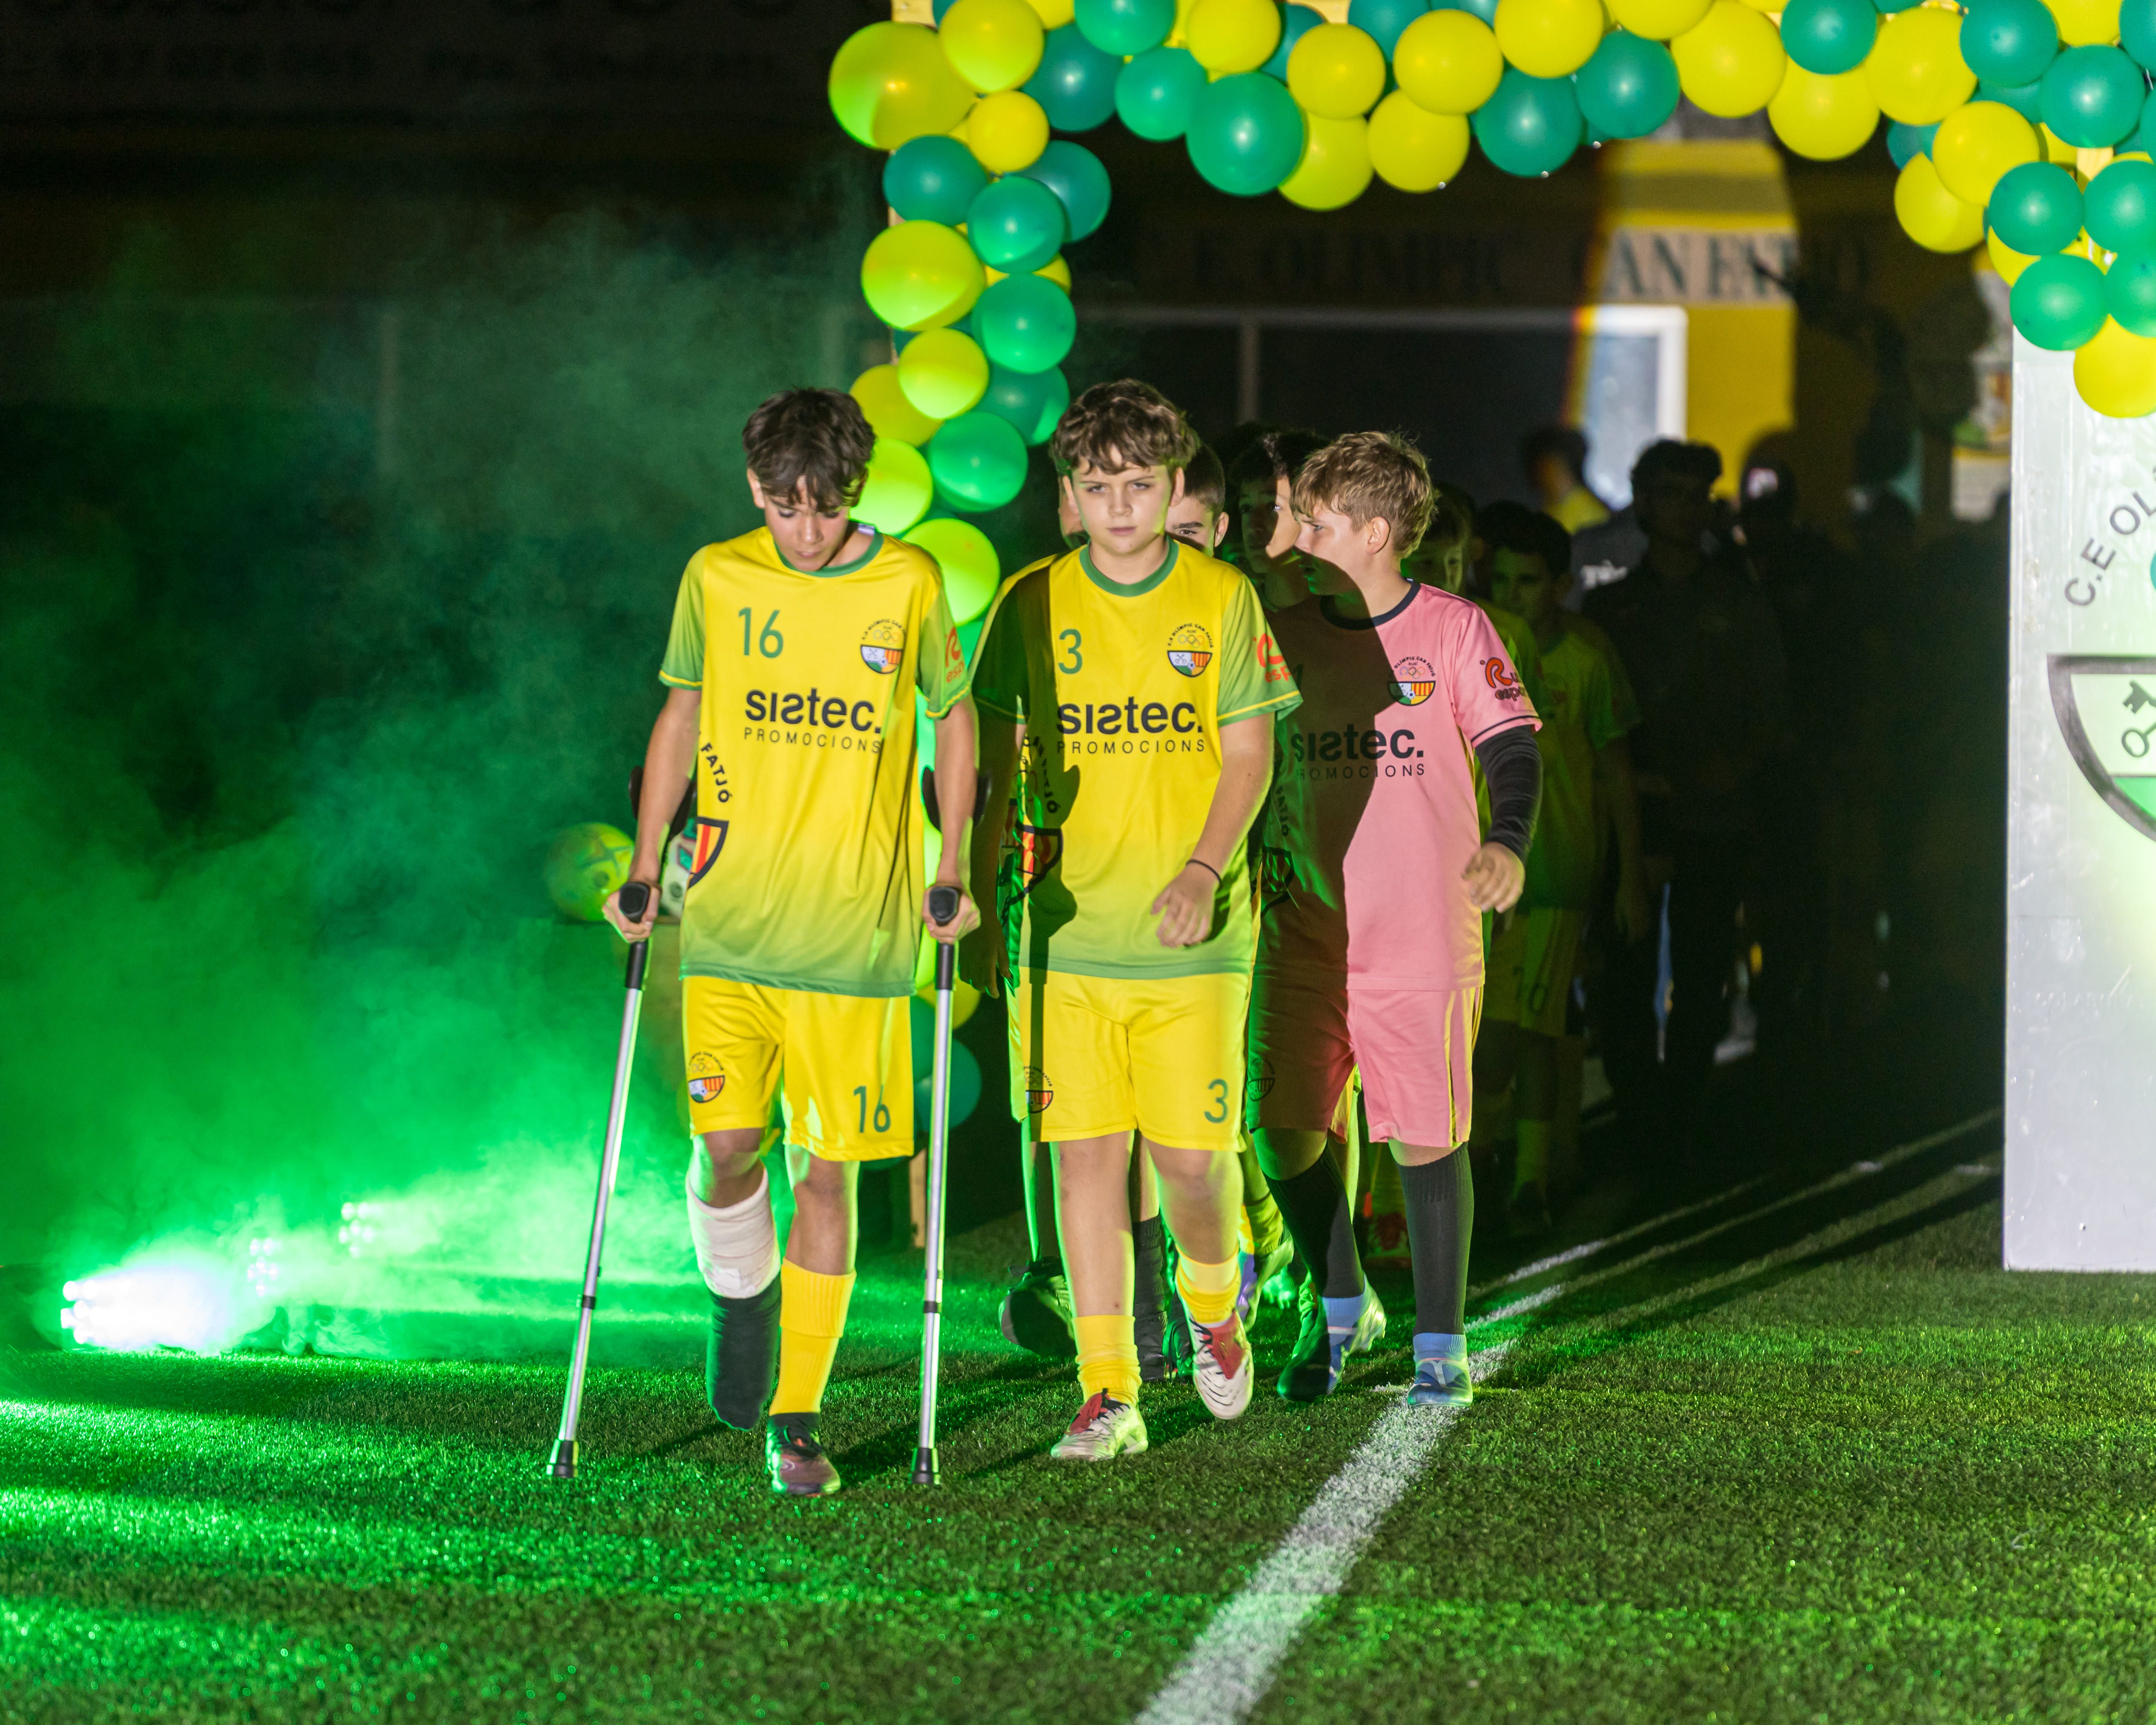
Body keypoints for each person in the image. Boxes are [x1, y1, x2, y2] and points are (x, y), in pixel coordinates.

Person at [605, 388, 980, 1497]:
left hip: (854, 942)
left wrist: (949, 856)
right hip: (727, 928)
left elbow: (952, 718)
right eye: (782, 508)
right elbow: (680, 709)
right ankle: (739, 1304)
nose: (803, 531)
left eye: (821, 511)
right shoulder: (716, 576)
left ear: (852, 493)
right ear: (753, 490)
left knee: (826, 1177)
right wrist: (642, 858)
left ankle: (797, 1415)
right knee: (729, 1154)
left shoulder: (905, 582)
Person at [965, 380, 1300, 1461]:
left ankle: (1214, 1311)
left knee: (1194, 1167)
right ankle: (1108, 1393)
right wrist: (968, 893)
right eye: (1097, 486)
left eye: (1139, 486)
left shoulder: (1219, 598)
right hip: (1067, 940)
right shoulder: (1028, 604)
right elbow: (982, 771)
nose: (1118, 506)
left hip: (1193, 941)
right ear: (1068, 493)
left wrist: (1205, 867)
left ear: (1171, 487)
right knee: (1084, 1165)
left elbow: (1250, 752)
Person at [1252, 431, 1542, 1405]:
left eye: (1317, 522)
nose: (1296, 536)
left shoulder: (1457, 629)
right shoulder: (1281, 636)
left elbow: (1511, 748)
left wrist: (1506, 839)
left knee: (1423, 1137)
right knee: (1279, 1129)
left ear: (1375, 534)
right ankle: (1341, 1297)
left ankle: (1438, 1342)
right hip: (1303, 928)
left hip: (1421, 933)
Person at [1582, 439, 1789, 1159]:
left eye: (1696, 494)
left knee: (1704, 972)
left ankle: (1684, 1110)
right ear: (1641, 501)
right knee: (1626, 972)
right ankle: (1640, 1111)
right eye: (1669, 492)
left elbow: (1774, 706)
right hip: (1633, 814)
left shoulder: (1737, 598)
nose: (1684, 507)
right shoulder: (1611, 608)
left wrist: (1735, 765)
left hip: (1714, 811)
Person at [1480, 507, 1650, 1234]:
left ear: (1560, 584)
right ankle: (1487, 1160)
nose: (1513, 594)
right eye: (1502, 580)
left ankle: (1526, 1182)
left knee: (1534, 1032)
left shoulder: (1585, 655)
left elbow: (1615, 773)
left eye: (1528, 581)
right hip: (1476, 881)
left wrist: (1628, 877)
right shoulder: (1469, 645)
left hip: (1554, 877)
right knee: (1480, 1030)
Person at [1520, 425, 1610, 535]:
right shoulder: (1551, 508)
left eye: (1538, 465)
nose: (1534, 474)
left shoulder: (1586, 513)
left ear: (1553, 464)